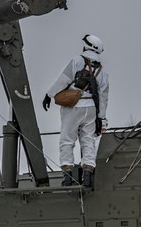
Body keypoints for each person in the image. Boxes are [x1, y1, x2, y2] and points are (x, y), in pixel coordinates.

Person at [42, 34, 109, 188]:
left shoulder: (77, 60)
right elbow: (104, 96)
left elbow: (63, 79)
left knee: (67, 139)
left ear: (87, 46)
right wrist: (101, 118)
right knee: (88, 140)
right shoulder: (102, 71)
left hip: (73, 106)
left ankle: (67, 176)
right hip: (91, 108)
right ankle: (87, 175)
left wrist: (49, 95)